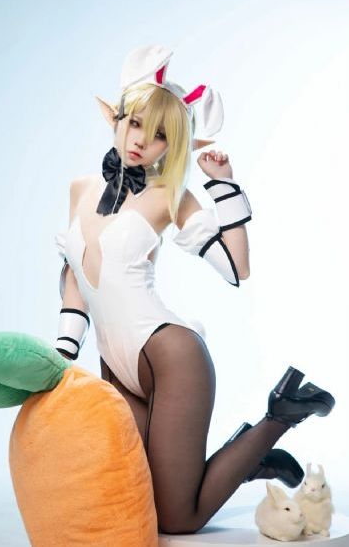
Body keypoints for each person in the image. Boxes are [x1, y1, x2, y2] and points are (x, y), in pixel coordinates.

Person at [54, 44, 335, 535]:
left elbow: (235, 268)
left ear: (173, 145)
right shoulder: (80, 189)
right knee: (144, 498)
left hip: (171, 358)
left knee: (177, 520)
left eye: (161, 134)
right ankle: (243, 462)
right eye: (136, 123)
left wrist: (223, 184)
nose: (142, 141)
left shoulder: (170, 197)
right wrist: (63, 351)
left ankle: (281, 415)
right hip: (113, 359)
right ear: (116, 118)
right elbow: (75, 274)